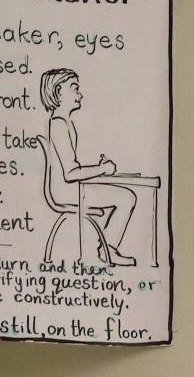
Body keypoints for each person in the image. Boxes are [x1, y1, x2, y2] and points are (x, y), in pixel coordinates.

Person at [40, 68, 137, 266]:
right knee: (127, 198)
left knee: (125, 196)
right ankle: (108, 249)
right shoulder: (59, 125)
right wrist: (102, 169)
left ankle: (107, 248)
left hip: (73, 189)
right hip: (67, 192)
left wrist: (99, 169)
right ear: (59, 92)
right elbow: (70, 173)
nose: (80, 94)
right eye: (74, 89)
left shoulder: (63, 122)